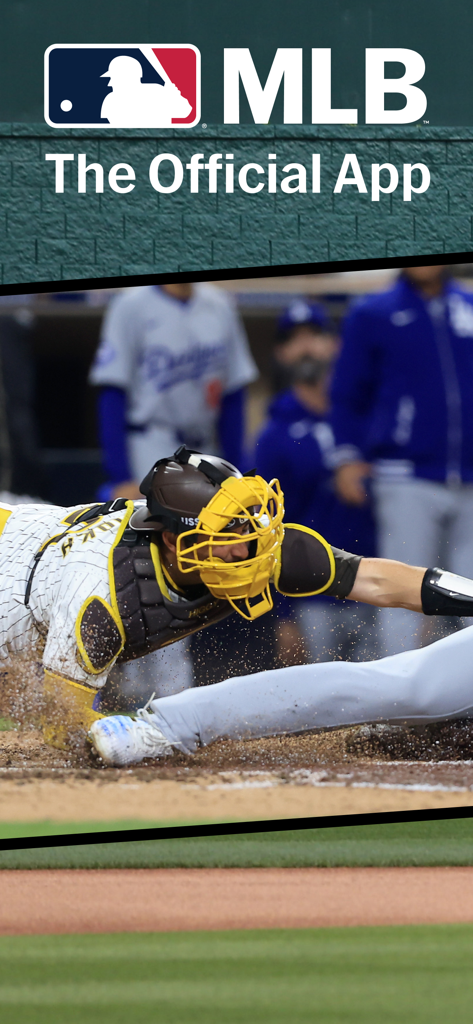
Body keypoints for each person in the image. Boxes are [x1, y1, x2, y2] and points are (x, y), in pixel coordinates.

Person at [0, 444, 457, 754]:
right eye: (228, 534)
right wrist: (122, 747)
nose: (248, 547)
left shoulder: (252, 551)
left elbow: (377, 581)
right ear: (178, 543)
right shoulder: (100, 597)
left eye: (245, 525)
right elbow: (60, 723)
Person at [89, 281, 259, 704]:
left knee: (195, 562)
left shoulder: (219, 305)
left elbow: (235, 395)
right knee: (144, 566)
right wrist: (120, 472)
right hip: (147, 443)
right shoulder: (131, 304)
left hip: (204, 451)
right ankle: (137, 688)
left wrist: (238, 473)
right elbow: (112, 391)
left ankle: (168, 693)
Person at [330, 264, 473, 655]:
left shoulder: (467, 304)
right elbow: (345, 393)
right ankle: (399, 709)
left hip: (470, 475)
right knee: (402, 591)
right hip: (405, 474)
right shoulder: (372, 311)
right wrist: (346, 458)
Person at [254, 299, 378, 666]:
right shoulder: (273, 434)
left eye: (314, 335)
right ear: (281, 353)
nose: (306, 345)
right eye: (293, 339)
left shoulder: (368, 418)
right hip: (313, 597)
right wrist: (283, 617)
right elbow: (266, 528)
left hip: (377, 587)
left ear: (335, 344)